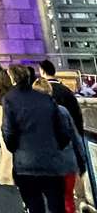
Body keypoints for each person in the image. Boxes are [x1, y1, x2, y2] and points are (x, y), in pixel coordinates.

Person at [2, 64, 72, 213]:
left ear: (13, 79)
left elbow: (9, 134)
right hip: (51, 162)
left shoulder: (10, 99)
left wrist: (17, 150)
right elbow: (64, 132)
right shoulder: (46, 99)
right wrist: (54, 149)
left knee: (35, 206)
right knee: (57, 207)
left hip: (26, 164)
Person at [33, 78, 86, 213]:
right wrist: (82, 162)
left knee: (50, 202)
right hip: (67, 162)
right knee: (67, 199)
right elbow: (75, 138)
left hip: (47, 166)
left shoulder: (31, 114)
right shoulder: (63, 111)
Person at [39, 60, 84, 136]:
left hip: (50, 137)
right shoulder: (67, 91)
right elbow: (77, 116)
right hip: (68, 135)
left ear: (43, 72)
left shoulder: (40, 91)